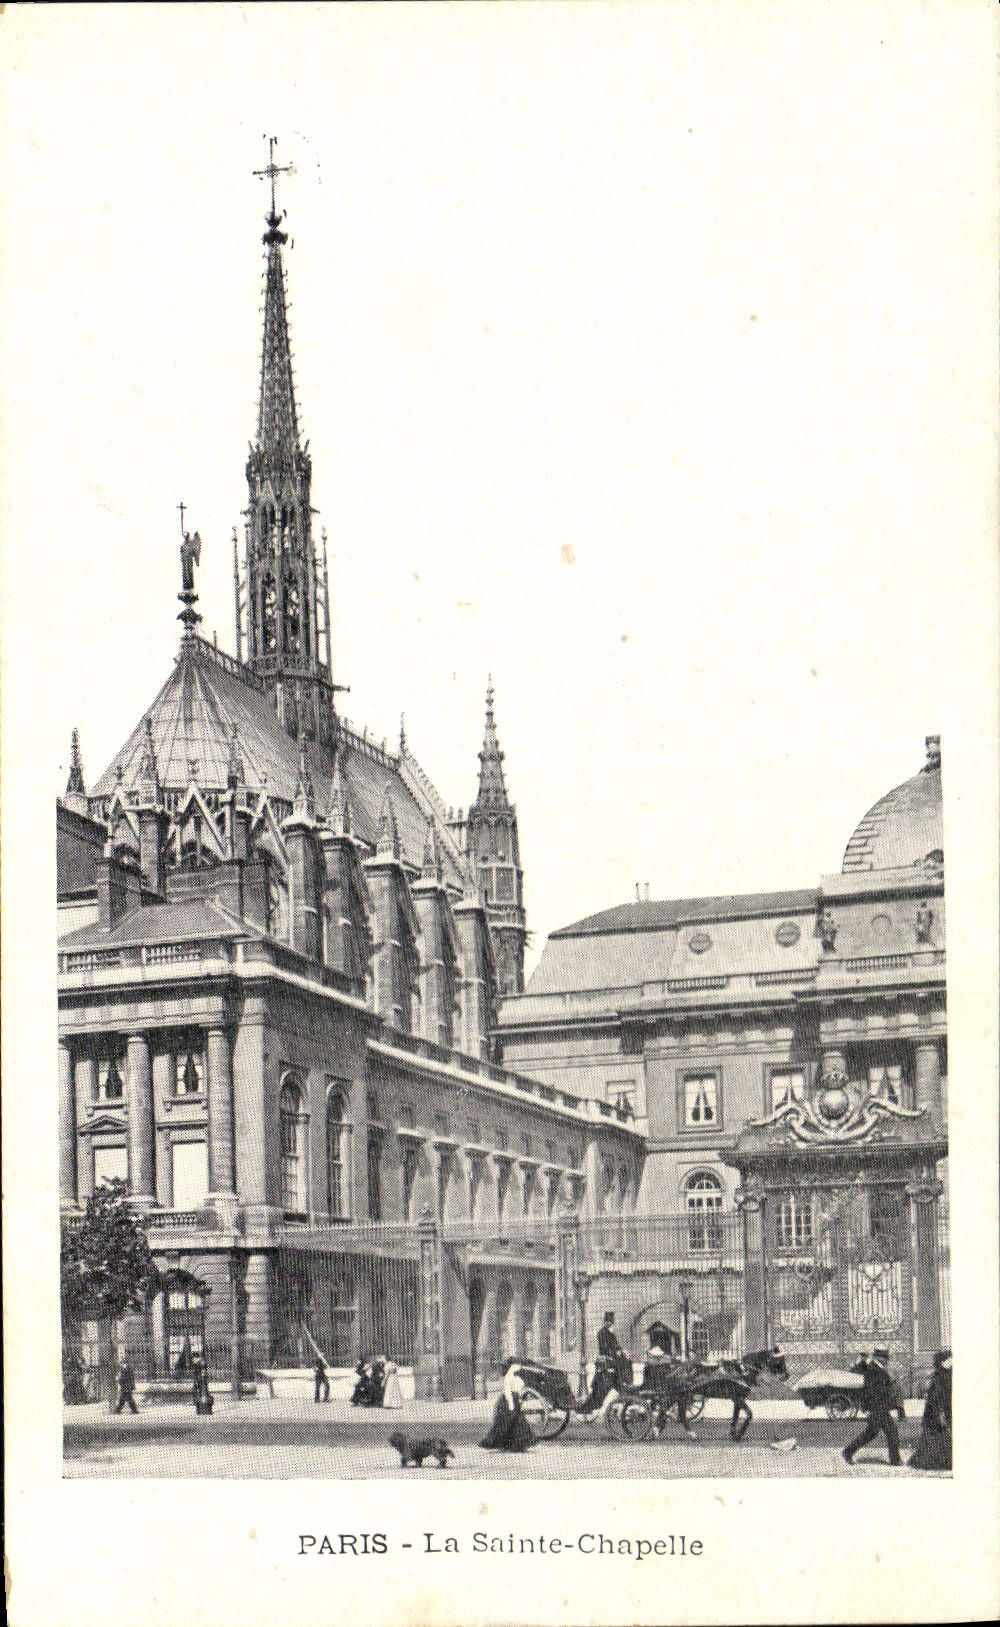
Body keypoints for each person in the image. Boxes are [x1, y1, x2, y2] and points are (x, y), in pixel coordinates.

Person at [842, 1347, 904, 1466]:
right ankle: (895, 1460)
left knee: (871, 1433)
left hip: (879, 1407)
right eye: (885, 1358)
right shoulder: (873, 1370)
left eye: (887, 1358)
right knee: (892, 1432)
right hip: (877, 1408)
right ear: (879, 1358)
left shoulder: (878, 1369)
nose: (887, 1361)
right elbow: (870, 1391)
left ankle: (848, 1452)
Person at [582, 1311, 630, 1423]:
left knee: (627, 1362)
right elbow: (605, 1348)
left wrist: (622, 1351)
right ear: (605, 1322)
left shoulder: (610, 1333)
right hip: (607, 1361)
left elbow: (617, 1346)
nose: (610, 1323)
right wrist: (617, 1352)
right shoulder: (602, 1333)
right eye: (608, 1321)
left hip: (611, 1359)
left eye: (611, 1321)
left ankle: (626, 1383)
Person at [479, 1359, 535, 1452]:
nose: (517, 1368)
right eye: (515, 1367)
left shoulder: (517, 1377)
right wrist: (511, 1406)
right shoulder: (508, 1378)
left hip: (515, 1400)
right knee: (506, 1422)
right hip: (506, 1402)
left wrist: (520, 1399)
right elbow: (507, 1393)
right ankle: (505, 1443)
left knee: (516, 1421)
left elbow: (521, 1390)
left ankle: (516, 1444)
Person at [908, 1350, 951, 1471]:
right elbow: (937, 1396)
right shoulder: (943, 1375)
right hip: (936, 1411)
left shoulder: (939, 1374)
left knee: (932, 1438)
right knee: (936, 1437)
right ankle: (932, 1462)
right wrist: (940, 1413)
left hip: (934, 1411)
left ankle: (925, 1461)